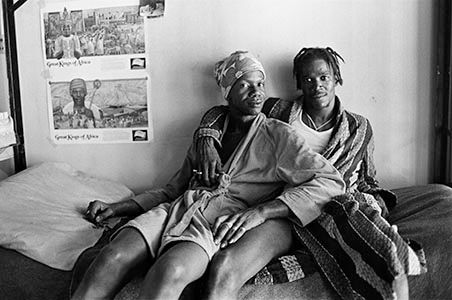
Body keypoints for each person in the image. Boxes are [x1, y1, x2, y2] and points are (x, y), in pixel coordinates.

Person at [71, 51, 345, 300]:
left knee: (170, 269)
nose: (257, 92)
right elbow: (171, 190)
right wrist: (117, 207)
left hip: (216, 220)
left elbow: (330, 182)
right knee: (111, 255)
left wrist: (262, 212)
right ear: (227, 92)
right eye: (245, 85)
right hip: (176, 209)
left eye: (260, 84)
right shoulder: (208, 139)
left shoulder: (278, 135)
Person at [193, 47, 425, 299]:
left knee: (386, 251)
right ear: (299, 83)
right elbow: (226, 110)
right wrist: (207, 138)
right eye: (308, 79)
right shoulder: (277, 111)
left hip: (338, 203)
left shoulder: (359, 127)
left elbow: (367, 179)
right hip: (286, 205)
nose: (317, 85)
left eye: (324, 77)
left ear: (337, 77)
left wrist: (375, 202)